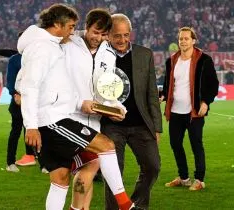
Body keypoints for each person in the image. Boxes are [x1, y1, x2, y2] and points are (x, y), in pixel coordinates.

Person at [17, 4, 141, 210]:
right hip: (57, 119)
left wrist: (114, 106)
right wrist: (30, 123)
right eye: (72, 26)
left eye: (104, 34)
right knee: (106, 146)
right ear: (58, 24)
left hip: (70, 116)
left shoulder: (58, 45)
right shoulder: (50, 46)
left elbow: (92, 86)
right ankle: (125, 205)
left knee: (61, 179)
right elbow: (28, 82)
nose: (73, 31)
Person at [101, 14, 162, 210]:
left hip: (141, 124)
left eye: (126, 35)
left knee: (153, 166)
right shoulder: (100, 56)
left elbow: (152, 93)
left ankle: (136, 205)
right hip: (111, 126)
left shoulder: (145, 54)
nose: (122, 40)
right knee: (113, 173)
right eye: (117, 35)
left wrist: (156, 127)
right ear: (108, 35)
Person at [64, 8, 119, 210]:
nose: (99, 38)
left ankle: (82, 208)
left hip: (94, 120)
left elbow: (107, 87)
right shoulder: (68, 45)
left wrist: (115, 107)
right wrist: (79, 102)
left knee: (90, 165)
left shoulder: (109, 53)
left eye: (104, 34)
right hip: (70, 117)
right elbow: (60, 82)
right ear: (86, 28)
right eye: (95, 32)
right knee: (90, 164)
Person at [162, 27, 219, 191]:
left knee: (196, 144)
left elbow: (213, 85)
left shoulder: (204, 60)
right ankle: (184, 177)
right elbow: (168, 86)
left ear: (193, 41)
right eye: (180, 39)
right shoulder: (171, 60)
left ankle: (199, 179)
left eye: (186, 38)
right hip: (175, 111)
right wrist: (163, 96)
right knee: (175, 144)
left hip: (194, 112)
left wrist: (205, 102)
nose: (183, 41)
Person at [0, 46, 44, 171]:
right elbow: (10, 79)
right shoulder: (16, 59)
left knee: (35, 131)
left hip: (32, 102)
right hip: (18, 102)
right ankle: (10, 163)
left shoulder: (33, 57)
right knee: (16, 131)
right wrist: (14, 94)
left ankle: (40, 162)